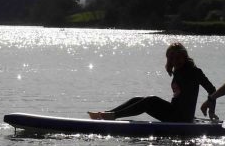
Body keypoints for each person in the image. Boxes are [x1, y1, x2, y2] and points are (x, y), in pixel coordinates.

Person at [88, 42, 216, 122]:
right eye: (172, 59)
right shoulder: (177, 71)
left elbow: (212, 90)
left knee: (150, 100)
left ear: (185, 56)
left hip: (182, 118)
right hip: (176, 113)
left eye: (178, 58)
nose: (175, 61)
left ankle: (111, 116)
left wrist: (211, 110)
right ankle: (106, 115)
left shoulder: (194, 71)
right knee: (137, 99)